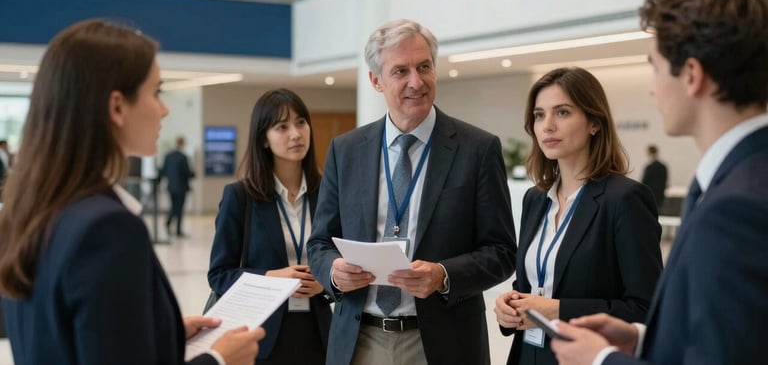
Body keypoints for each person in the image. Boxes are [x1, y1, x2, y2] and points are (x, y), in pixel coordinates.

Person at [0, 19, 264, 365]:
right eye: (156, 92)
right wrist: (219, 360)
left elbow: (67, 336)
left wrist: (159, 332)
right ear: (117, 107)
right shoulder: (106, 229)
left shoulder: (29, 209)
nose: (164, 109)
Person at [551, 0, 768, 365]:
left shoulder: (737, 210)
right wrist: (642, 338)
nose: (652, 87)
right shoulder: (741, 178)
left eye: (654, 67)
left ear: (691, 75)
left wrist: (602, 361)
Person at [307, 19, 517, 365]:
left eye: (424, 67)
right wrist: (333, 271)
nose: (416, 82)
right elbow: (319, 242)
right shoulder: (346, 151)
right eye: (400, 71)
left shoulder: (477, 149)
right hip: (360, 340)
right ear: (376, 81)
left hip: (443, 342)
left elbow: (502, 251)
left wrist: (443, 275)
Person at [493, 67, 663, 365]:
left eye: (562, 113)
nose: (547, 126)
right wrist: (509, 306)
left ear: (594, 123)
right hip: (528, 354)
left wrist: (557, 309)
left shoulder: (624, 199)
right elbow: (530, 285)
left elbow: (645, 309)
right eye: (539, 115)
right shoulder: (536, 200)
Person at [208, 88, 331, 363]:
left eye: (301, 122)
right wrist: (273, 278)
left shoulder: (328, 194)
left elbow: (344, 263)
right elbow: (219, 275)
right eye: (282, 127)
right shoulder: (240, 197)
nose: (296, 134)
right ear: (264, 139)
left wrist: (326, 284)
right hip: (262, 336)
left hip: (320, 333)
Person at [161, 135, 196, 237]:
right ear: (182, 143)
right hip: (181, 187)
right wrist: (193, 174)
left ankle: (169, 223)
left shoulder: (168, 156)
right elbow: (187, 173)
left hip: (171, 186)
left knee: (174, 206)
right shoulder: (183, 157)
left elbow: (163, 171)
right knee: (179, 208)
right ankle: (177, 230)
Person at [640, 145, 668, 210]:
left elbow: (644, 181)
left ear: (649, 153)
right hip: (660, 194)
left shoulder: (649, 167)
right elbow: (665, 180)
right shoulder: (663, 166)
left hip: (650, 194)